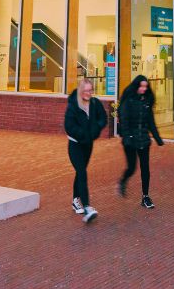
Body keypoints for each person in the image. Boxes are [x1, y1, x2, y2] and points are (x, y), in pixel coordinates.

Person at [64, 79, 108, 223]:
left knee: (80, 172)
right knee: (82, 172)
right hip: (75, 145)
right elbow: (69, 126)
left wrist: (95, 129)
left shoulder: (95, 103)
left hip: (88, 145)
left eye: (91, 90)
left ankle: (75, 200)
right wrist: (84, 134)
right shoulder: (73, 105)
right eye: (86, 90)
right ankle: (87, 207)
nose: (89, 93)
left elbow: (103, 119)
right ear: (80, 91)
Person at [117, 75, 164, 209]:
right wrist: (127, 138)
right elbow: (124, 121)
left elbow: (150, 121)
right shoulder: (128, 100)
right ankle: (123, 181)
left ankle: (145, 196)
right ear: (136, 86)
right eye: (141, 86)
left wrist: (157, 138)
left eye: (145, 87)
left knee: (145, 168)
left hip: (143, 139)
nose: (144, 89)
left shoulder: (146, 100)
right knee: (132, 168)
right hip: (131, 140)